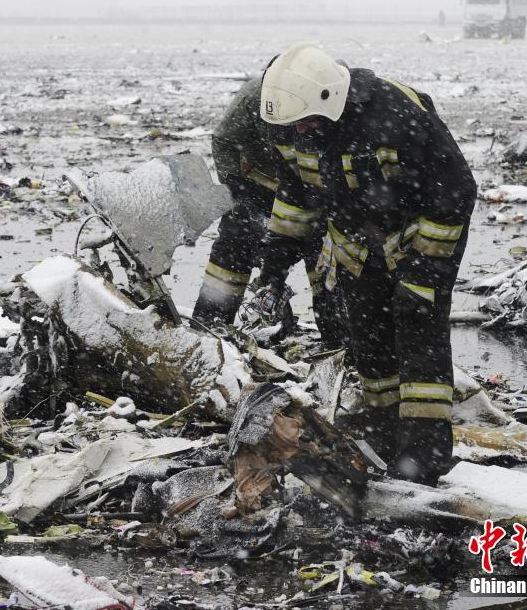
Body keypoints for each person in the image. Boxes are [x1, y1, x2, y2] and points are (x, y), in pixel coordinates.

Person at [255, 42, 477, 485]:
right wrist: (273, 270)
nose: (300, 132)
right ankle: (383, 435)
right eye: (293, 126)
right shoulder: (294, 128)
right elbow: (296, 197)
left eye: (306, 122)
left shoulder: (395, 116)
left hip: (421, 238)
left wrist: (422, 273)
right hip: (357, 244)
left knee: (418, 331)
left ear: (329, 101)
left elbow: (454, 192)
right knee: (369, 338)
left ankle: (424, 454)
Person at [192, 74, 348, 348]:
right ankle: (208, 329)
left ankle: (338, 342)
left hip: (313, 190)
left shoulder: (328, 99)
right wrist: (238, 193)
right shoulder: (254, 97)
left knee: (324, 261)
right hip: (257, 186)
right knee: (233, 248)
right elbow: (224, 141)